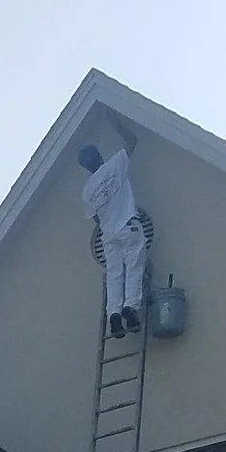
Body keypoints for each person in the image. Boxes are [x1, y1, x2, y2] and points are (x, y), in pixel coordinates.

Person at [77, 141, 148, 339]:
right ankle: (130, 307)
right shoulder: (114, 164)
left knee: (115, 274)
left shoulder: (87, 190)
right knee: (134, 266)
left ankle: (114, 314)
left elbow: (95, 218)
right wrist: (115, 122)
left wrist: (108, 223)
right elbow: (132, 141)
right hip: (127, 224)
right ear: (99, 155)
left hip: (108, 236)